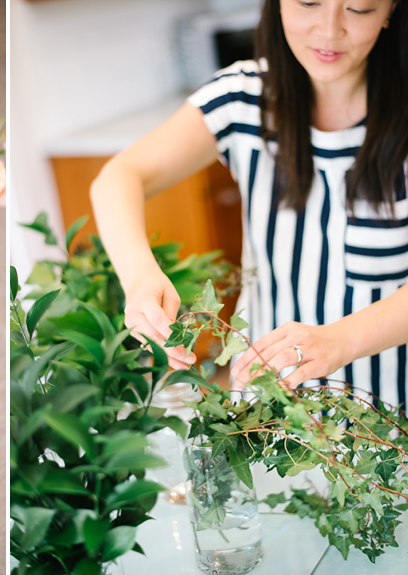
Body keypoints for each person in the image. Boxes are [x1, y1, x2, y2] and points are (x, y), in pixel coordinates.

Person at [90, 0, 408, 407]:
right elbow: (118, 177)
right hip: (267, 408)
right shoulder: (242, 97)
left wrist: (339, 341)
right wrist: (139, 279)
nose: (329, 30)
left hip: (389, 418)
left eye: (358, 9)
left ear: (390, 11)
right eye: (308, 2)